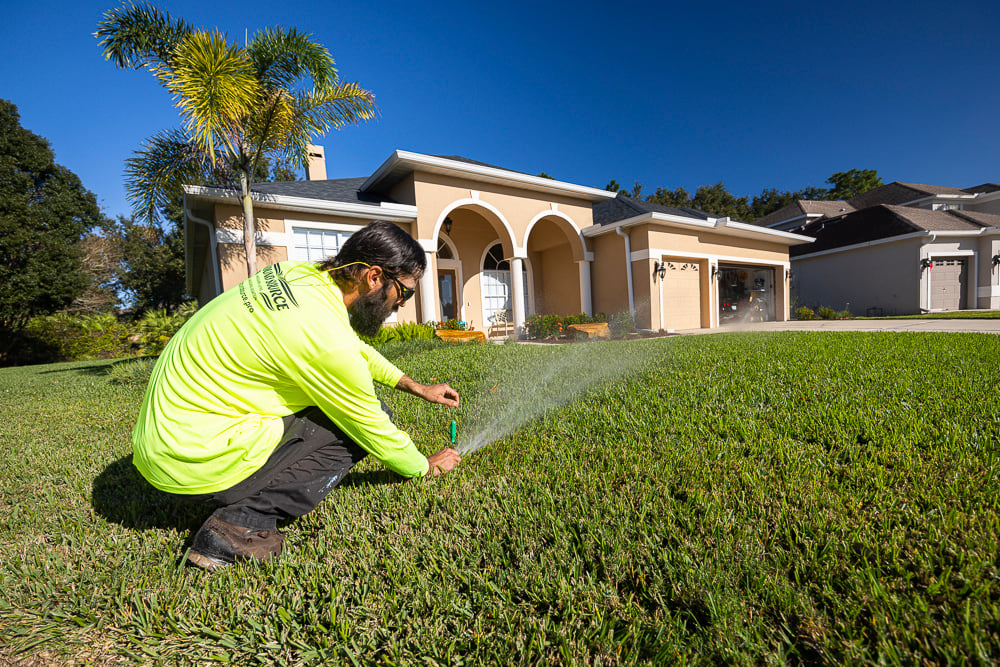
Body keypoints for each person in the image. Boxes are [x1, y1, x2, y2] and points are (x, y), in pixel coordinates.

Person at [132, 220, 462, 571]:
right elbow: (374, 427)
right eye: (405, 292)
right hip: (193, 463)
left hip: (162, 448)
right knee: (353, 426)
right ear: (374, 277)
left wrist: (413, 384)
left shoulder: (295, 275)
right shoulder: (324, 340)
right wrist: (423, 466)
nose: (402, 305)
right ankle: (238, 526)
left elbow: (350, 346)